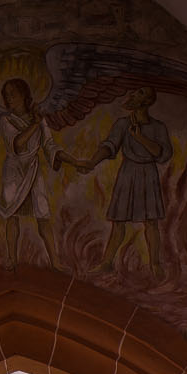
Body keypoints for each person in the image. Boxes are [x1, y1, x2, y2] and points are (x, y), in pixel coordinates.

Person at [76, 87, 173, 273]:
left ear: (145, 101)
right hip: (127, 173)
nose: (131, 96)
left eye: (137, 93)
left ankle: (155, 264)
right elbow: (110, 146)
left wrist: (139, 137)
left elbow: (163, 154)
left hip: (148, 174)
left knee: (151, 222)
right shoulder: (122, 124)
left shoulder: (158, 127)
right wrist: (92, 162)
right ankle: (107, 262)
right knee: (118, 222)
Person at [0, 76, 61, 265]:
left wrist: (63, 158)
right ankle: (12, 258)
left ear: (24, 95)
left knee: (43, 214)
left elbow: (49, 144)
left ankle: (55, 260)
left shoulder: (38, 119)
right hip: (14, 170)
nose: (9, 100)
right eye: (6, 96)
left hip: (32, 169)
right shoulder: (5, 120)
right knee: (11, 214)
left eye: (12, 95)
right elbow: (18, 144)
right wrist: (35, 124)